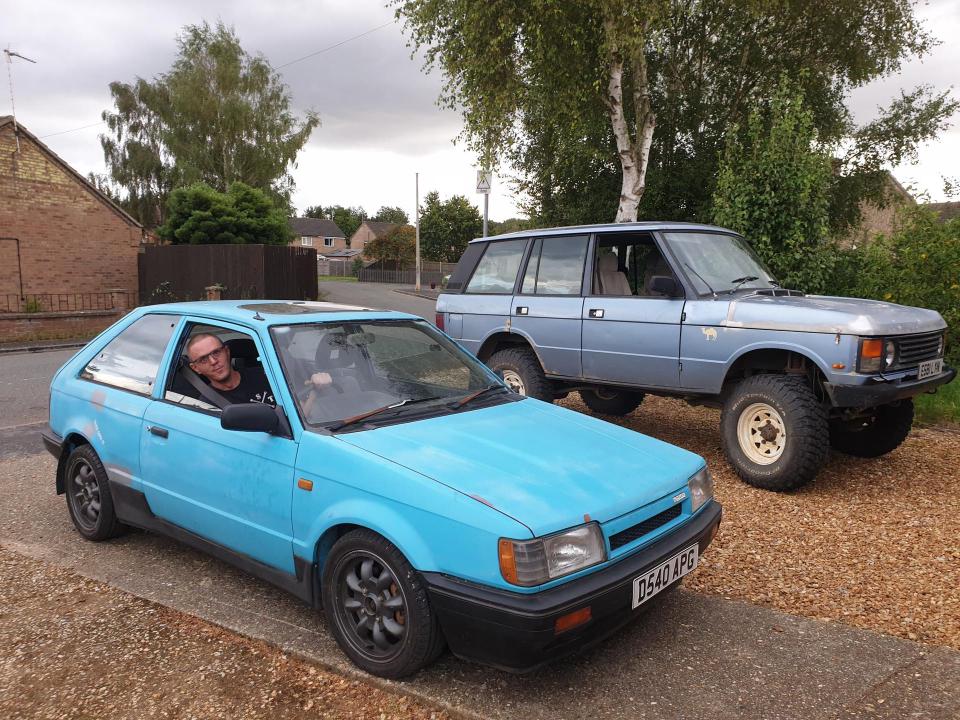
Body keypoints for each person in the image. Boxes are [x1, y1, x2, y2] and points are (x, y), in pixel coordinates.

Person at [184, 333, 281, 406]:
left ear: (227, 351)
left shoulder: (267, 376)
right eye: (203, 359)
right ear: (195, 368)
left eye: (216, 352)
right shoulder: (206, 406)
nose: (213, 361)